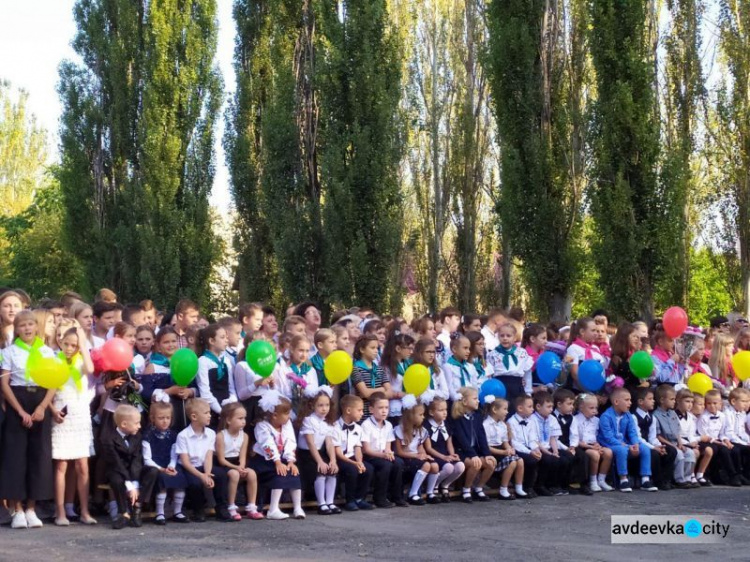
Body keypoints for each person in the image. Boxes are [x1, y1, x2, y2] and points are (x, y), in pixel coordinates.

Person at [0, 310, 57, 529]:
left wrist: (43, 407)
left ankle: (32, 507)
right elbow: (4, 384)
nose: (27, 328)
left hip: (39, 399)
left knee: (38, 455)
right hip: (18, 399)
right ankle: (17, 509)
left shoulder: (46, 352)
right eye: (22, 325)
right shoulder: (9, 352)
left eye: (30, 324)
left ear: (36, 327)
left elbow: (53, 381)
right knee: (16, 456)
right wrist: (20, 411)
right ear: (16, 329)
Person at [51, 320, 97, 526]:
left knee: (82, 466)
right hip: (61, 413)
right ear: (60, 342)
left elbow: (90, 367)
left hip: (80, 414)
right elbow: (47, 390)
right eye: (67, 344)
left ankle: (84, 511)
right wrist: (52, 410)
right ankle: (60, 511)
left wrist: (82, 338)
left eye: (74, 345)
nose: (70, 348)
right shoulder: (54, 360)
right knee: (61, 465)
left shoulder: (81, 361)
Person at [249, 390, 305, 520]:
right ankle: (273, 509)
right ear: (274, 415)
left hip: (282, 458)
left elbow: (291, 440)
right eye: (286, 413)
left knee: (294, 472)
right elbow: (267, 444)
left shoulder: (286, 424)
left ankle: (297, 507)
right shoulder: (262, 426)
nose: (289, 416)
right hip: (264, 460)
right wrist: (277, 462)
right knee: (279, 473)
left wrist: (291, 461)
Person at [175, 398, 233, 522]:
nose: (209, 415)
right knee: (195, 483)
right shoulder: (183, 436)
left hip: (204, 466)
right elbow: (185, 462)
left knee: (221, 475)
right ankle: (198, 510)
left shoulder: (211, 433)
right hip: (189, 468)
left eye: (209, 412)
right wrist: (201, 476)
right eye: (206, 413)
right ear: (194, 416)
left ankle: (221, 508)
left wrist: (207, 473)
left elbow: (208, 456)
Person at [104, 405, 158, 529]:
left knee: (152, 472)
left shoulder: (137, 435)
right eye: (137, 423)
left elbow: (136, 460)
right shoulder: (108, 438)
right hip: (117, 470)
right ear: (124, 424)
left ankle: (137, 508)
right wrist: (130, 485)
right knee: (116, 479)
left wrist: (135, 483)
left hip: (134, 471)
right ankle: (124, 513)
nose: (139, 426)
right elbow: (116, 463)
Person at [597, 388, 658, 493]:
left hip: (625, 443)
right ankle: (623, 480)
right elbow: (608, 437)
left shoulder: (628, 415)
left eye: (630, 400)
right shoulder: (605, 416)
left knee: (644, 449)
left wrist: (635, 443)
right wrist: (625, 445)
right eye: (627, 400)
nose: (630, 403)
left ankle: (645, 479)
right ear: (616, 402)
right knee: (621, 450)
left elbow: (632, 432)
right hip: (610, 444)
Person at [140, 327, 196, 431]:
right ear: (158, 346)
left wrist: (189, 392)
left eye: (173, 341)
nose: (171, 345)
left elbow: (195, 386)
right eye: (166, 342)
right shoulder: (153, 367)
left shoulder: (186, 363)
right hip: (163, 417)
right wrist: (168, 391)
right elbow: (144, 392)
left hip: (184, 412)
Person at [141, 402, 188, 525]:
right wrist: (161, 469)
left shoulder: (173, 435)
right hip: (155, 466)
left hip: (169, 464)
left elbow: (174, 455)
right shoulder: (148, 435)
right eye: (161, 418)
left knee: (179, 478)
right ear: (152, 418)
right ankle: (160, 513)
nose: (165, 421)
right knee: (162, 480)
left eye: (168, 418)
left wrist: (171, 466)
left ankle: (177, 511)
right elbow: (147, 458)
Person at [215, 403, 263, 520]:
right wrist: (236, 468)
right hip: (225, 464)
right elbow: (221, 460)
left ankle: (252, 507)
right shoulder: (221, 436)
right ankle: (231, 507)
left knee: (251, 473)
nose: (243, 421)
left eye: (244, 418)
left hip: (237, 463)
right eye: (240, 418)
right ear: (229, 420)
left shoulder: (244, 436)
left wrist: (241, 466)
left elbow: (242, 456)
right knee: (234, 474)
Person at [297, 386, 340, 515]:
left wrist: (333, 460)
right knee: (320, 472)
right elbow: (310, 443)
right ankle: (321, 503)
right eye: (320, 405)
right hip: (307, 455)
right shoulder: (308, 421)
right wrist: (320, 462)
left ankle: (330, 502)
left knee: (332, 471)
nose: (324, 408)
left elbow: (329, 443)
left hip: (320, 452)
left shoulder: (326, 422)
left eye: (327, 405)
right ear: (312, 405)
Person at [450, 387, 496, 502]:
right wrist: (473, 455)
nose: (478, 401)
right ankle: (466, 489)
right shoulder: (457, 419)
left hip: (474, 451)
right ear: (465, 401)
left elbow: (481, 436)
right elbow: (462, 440)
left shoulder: (477, 416)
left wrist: (487, 454)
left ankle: (478, 488)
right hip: (461, 451)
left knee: (490, 463)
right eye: (475, 398)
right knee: (476, 464)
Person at [361, 391, 406, 508]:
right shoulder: (366, 425)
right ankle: (379, 498)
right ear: (371, 409)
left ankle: (396, 496)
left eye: (386, 407)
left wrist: (388, 453)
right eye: (380, 407)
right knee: (386, 465)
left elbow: (388, 446)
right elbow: (366, 450)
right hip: (371, 456)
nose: (384, 410)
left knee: (399, 463)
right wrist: (383, 455)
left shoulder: (389, 425)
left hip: (382, 455)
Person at [394, 394, 440, 505]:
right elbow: (399, 451)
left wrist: (424, 455)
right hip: (406, 457)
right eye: (420, 414)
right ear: (410, 415)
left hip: (416, 457)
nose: (423, 417)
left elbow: (420, 447)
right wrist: (417, 456)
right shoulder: (400, 430)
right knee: (426, 465)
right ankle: (413, 494)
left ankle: (430, 493)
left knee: (434, 466)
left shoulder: (421, 430)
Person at [652, 385, 698, 489]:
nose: (674, 402)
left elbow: (677, 431)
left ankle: (687, 478)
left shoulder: (672, 413)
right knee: (679, 455)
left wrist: (680, 443)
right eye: (672, 399)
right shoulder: (656, 415)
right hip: (665, 443)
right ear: (662, 400)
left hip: (676, 442)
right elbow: (658, 436)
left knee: (690, 453)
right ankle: (679, 479)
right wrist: (674, 447)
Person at [334, 394, 374, 511]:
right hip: (340, 458)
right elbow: (338, 453)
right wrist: (354, 464)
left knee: (368, 468)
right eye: (360, 410)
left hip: (352, 457)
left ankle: (359, 498)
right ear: (348, 410)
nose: (362, 413)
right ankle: (349, 500)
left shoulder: (358, 428)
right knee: (351, 470)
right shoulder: (335, 427)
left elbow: (357, 448)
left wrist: (359, 462)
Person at [632, 387, 676, 490]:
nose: (653, 401)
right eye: (650, 399)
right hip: (640, 445)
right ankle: (657, 481)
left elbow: (653, 436)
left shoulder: (652, 418)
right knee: (654, 453)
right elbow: (637, 438)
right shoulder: (634, 417)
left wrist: (659, 446)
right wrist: (653, 448)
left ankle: (666, 480)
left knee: (671, 451)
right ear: (640, 402)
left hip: (650, 444)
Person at [422, 395, 465, 501]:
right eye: (441, 410)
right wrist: (444, 457)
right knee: (448, 468)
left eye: (445, 409)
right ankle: (434, 485)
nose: (444, 412)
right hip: (434, 455)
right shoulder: (426, 426)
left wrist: (452, 454)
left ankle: (444, 485)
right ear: (432, 412)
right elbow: (428, 448)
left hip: (445, 454)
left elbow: (449, 442)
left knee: (460, 466)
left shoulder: (446, 424)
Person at [696, 389, 742, 486]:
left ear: (720, 403)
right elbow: (703, 434)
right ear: (705, 404)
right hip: (706, 440)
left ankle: (735, 475)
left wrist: (726, 440)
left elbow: (722, 433)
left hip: (717, 440)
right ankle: (722, 475)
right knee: (720, 449)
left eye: (715, 403)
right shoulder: (703, 417)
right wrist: (719, 443)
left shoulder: (722, 416)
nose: (712, 406)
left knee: (731, 449)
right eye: (709, 403)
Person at [531, 391, 572, 495]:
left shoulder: (552, 419)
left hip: (548, 447)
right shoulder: (532, 419)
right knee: (549, 460)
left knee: (567, 457)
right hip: (537, 448)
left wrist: (555, 451)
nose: (551, 409)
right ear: (538, 406)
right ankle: (541, 485)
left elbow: (553, 438)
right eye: (548, 407)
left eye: (552, 407)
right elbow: (535, 440)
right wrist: (548, 453)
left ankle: (557, 485)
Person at [196, 324, 237, 428]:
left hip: (228, 409)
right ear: (211, 341)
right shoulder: (203, 362)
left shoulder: (226, 361)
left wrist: (232, 402)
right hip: (213, 411)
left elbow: (231, 387)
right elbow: (205, 393)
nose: (226, 340)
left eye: (226, 337)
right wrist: (221, 411)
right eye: (222, 337)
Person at [487, 323, 533, 413]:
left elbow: (527, 374)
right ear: (498, 337)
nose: (505, 338)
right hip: (500, 386)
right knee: (502, 412)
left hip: (517, 387)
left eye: (508, 336)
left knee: (518, 412)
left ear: (514, 337)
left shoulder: (521, 353)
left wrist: (528, 392)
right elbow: (489, 375)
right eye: (502, 335)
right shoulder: (493, 354)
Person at [483, 397, 524, 499]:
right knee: (512, 462)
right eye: (505, 409)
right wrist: (503, 452)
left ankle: (519, 487)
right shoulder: (486, 424)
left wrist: (509, 449)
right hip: (491, 452)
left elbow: (505, 441)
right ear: (495, 410)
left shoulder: (502, 425)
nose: (507, 412)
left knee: (520, 461)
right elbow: (486, 446)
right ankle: (503, 489)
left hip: (501, 450)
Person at [552, 388, 591, 495]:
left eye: (573, 404)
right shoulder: (552, 417)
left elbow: (574, 435)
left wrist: (573, 446)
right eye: (569, 404)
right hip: (558, 446)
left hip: (570, 445)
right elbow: (554, 438)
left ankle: (583, 484)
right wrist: (567, 449)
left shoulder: (572, 418)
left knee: (583, 456)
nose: (572, 407)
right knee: (567, 457)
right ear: (559, 404)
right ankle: (566, 484)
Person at [572, 393, 613, 493]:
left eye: (596, 407)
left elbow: (595, 435)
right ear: (581, 407)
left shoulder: (596, 420)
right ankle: (593, 480)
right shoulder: (576, 420)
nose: (595, 411)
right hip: (581, 446)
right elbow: (576, 440)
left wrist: (597, 444)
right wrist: (590, 447)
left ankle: (601, 479)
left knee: (608, 452)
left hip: (592, 445)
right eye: (591, 408)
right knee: (595, 455)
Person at [352, 335, 393, 419]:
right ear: (362, 349)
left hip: (380, 416)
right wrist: (381, 389)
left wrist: (371, 393)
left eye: (377, 348)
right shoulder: (356, 369)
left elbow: (390, 393)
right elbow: (365, 393)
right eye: (372, 348)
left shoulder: (379, 369)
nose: (376, 351)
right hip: (364, 416)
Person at [380, 331, 414, 426]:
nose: (411, 352)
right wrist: (399, 394)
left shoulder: (408, 364)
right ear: (398, 348)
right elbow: (386, 388)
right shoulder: (387, 367)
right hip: (395, 406)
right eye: (408, 348)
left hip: (409, 405)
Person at [565, 317, 606, 392]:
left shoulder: (595, 348)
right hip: (578, 391)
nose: (596, 333)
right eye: (593, 330)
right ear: (582, 332)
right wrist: (588, 392)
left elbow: (601, 372)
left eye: (596, 331)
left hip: (595, 391)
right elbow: (574, 373)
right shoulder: (572, 348)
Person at [685, 392, 714, 486]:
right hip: (690, 441)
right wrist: (699, 438)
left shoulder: (700, 417)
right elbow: (689, 434)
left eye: (703, 404)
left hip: (698, 440)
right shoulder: (689, 417)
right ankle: (691, 474)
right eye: (700, 404)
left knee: (709, 450)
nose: (703, 407)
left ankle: (700, 474)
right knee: (695, 452)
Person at [443, 335, 481, 402]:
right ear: (454, 349)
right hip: (456, 401)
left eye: (469, 348)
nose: (468, 351)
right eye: (465, 348)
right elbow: (450, 387)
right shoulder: (448, 367)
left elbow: (474, 385)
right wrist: (456, 398)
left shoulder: (470, 367)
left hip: (470, 401)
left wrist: (475, 398)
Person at [726, 387, 750, 483]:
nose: (746, 404)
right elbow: (729, 433)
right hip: (728, 439)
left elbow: (741, 431)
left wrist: (748, 441)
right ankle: (736, 475)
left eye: (747, 401)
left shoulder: (742, 413)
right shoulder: (728, 413)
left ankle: (746, 474)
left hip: (737, 439)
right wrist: (743, 443)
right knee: (736, 450)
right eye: (743, 401)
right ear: (733, 401)